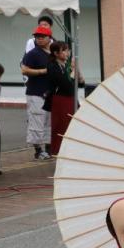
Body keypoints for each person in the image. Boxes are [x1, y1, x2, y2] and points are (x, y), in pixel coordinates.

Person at [21, 24, 54, 160]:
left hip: (49, 93)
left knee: (48, 121)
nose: (39, 39)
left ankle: (48, 148)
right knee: (36, 120)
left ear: (49, 38)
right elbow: (24, 70)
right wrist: (43, 71)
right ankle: (38, 150)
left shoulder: (52, 53)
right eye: (37, 37)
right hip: (35, 92)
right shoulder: (33, 53)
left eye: (42, 36)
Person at [47, 41, 82, 155]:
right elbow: (66, 84)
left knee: (75, 125)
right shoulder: (53, 66)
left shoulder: (65, 65)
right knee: (62, 127)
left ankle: (73, 150)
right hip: (61, 100)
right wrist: (72, 70)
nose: (67, 53)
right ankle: (61, 151)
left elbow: (81, 83)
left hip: (71, 98)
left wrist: (78, 72)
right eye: (64, 50)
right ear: (56, 53)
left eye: (68, 50)